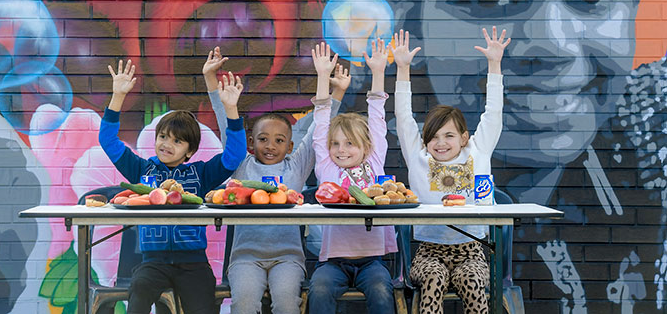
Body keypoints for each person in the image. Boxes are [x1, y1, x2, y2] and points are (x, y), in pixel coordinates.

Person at [387, 0, 662, 311]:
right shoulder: (366, 168)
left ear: (633, 7)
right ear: (411, 23)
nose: (551, 44)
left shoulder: (647, 154)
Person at [201, 46, 350, 314]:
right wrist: (211, 80)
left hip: (288, 258)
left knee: (286, 304)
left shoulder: (297, 165)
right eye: (263, 139)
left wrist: (335, 90)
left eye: (279, 141)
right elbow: (225, 124)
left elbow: (320, 126)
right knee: (244, 304)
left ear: (290, 146)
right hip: (246, 257)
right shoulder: (241, 166)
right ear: (250, 142)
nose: (270, 146)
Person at [98, 59, 247, 314]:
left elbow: (234, 155)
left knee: (203, 305)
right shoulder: (142, 170)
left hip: (194, 263)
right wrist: (118, 96)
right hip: (152, 263)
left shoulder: (200, 173)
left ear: (190, 151)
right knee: (139, 290)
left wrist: (231, 109)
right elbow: (108, 140)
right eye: (163, 137)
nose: (167, 144)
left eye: (177, 141)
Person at [392, 27, 509, 314]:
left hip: (472, 250)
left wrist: (495, 65)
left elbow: (493, 113)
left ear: (464, 138)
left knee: (471, 280)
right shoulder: (418, 157)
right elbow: (403, 117)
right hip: (428, 250)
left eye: (449, 136)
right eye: (433, 137)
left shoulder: (478, 152)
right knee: (434, 277)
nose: (440, 143)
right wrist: (402, 69)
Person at [307, 39, 397, 314]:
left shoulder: (375, 162)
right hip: (333, 262)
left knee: (382, 290)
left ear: (366, 148)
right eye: (336, 144)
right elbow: (321, 123)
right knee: (319, 289)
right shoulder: (327, 169)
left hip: (373, 261)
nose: (341, 150)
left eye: (349, 144)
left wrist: (378, 72)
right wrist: (323, 77)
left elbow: (377, 118)